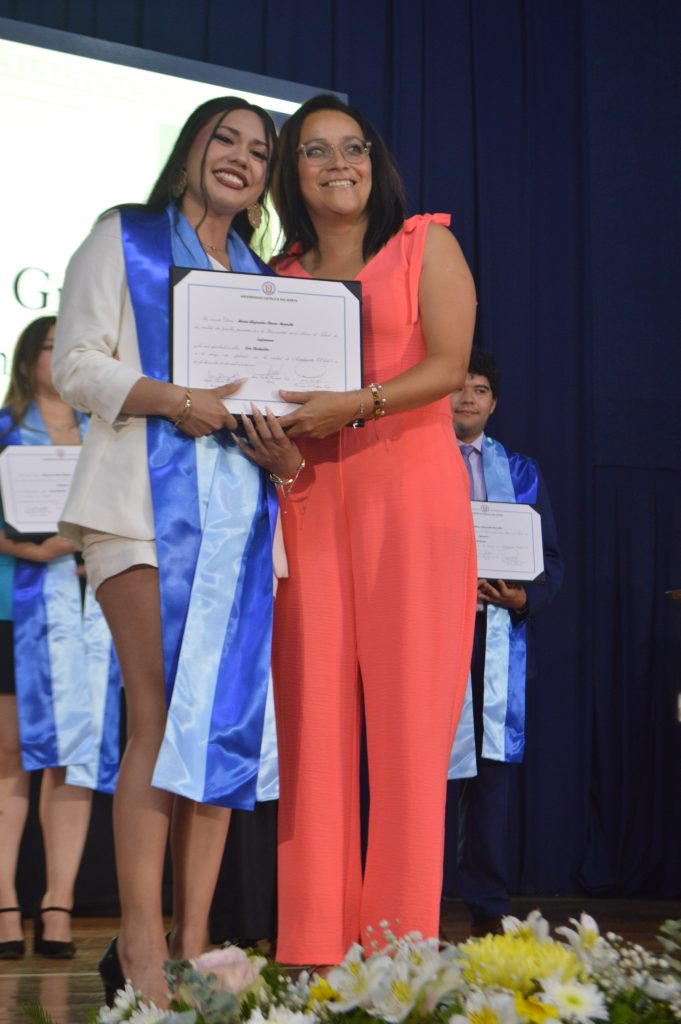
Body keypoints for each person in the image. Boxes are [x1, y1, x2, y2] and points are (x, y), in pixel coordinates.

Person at [52, 96, 302, 1004]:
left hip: (241, 522)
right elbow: (76, 363)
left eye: (258, 150)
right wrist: (177, 399)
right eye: (223, 139)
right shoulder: (123, 237)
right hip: (136, 510)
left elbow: (282, 405)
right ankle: (140, 942)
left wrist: (282, 450)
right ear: (190, 148)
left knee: (220, 726)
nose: (240, 157)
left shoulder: (266, 282)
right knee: (159, 721)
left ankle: (197, 943)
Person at [269, 93, 478, 965]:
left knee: (408, 735)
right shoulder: (275, 277)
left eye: (351, 147)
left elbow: (449, 366)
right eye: (314, 151)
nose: (337, 164)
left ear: (374, 161)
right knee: (311, 727)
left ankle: (399, 954)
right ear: (292, 174)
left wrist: (357, 403)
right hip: (308, 500)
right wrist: (271, 443)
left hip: (413, 500)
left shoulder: (423, 244)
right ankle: (312, 946)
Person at [0, 316, 114, 960]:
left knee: (76, 754)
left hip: (92, 609)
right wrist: (26, 548)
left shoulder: (107, 431)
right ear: (27, 360)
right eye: (51, 346)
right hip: (12, 609)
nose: (62, 354)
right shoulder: (3, 429)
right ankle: (4, 904)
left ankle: (59, 904)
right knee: (10, 756)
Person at [446, 346, 564, 934]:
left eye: (481, 389)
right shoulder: (415, 464)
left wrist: (523, 599)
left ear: (494, 404)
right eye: (459, 386)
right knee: (421, 769)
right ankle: (409, 898)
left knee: (491, 779)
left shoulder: (520, 472)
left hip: (493, 639)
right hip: (429, 635)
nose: (468, 397)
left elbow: (550, 562)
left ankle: (487, 906)